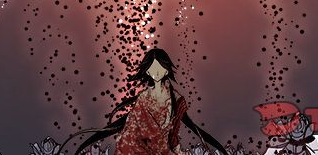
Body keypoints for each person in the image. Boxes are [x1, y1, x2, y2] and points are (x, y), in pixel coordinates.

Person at [63, 49, 226, 155]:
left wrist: (220, 148)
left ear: (167, 69)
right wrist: (85, 143)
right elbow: (124, 124)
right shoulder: (143, 98)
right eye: (152, 68)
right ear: (147, 71)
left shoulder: (176, 100)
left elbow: (191, 127)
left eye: (160, 68)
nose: (156, 72)